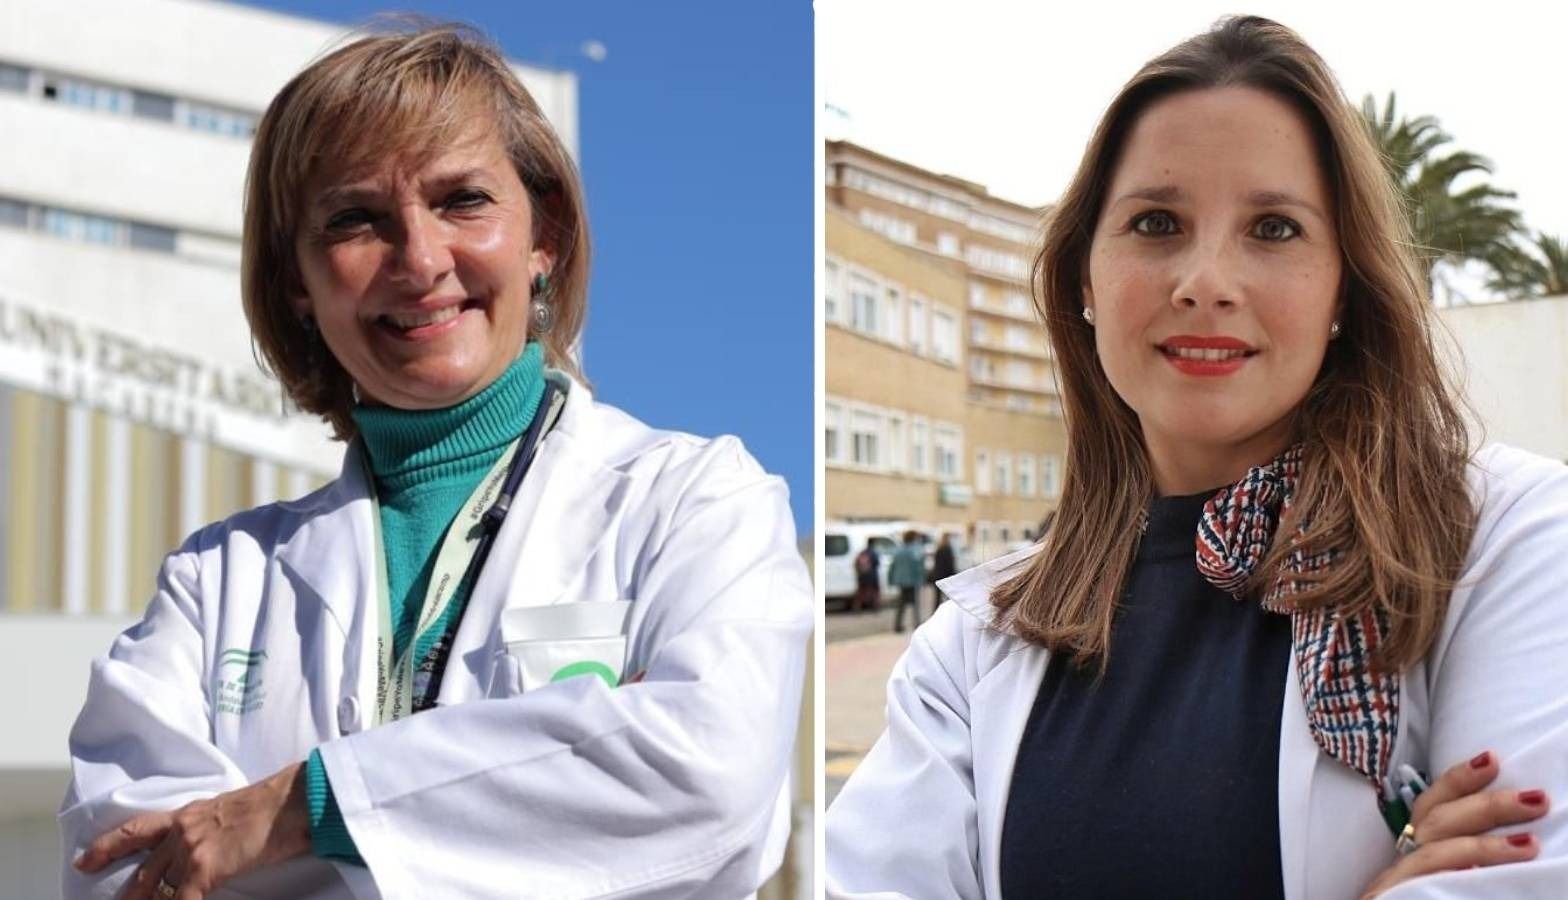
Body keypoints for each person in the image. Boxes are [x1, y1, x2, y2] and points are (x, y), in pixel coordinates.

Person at [826, 16, 1568, 899]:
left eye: (1273, 229)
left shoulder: (1508, 542)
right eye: (1157, 222)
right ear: (1084, 279)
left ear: (1344, 286)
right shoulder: (971, 644)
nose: (1205, 280)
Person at [60, 25, 811, 900]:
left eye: (462, 201)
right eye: (354, 219)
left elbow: (706, 773)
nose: (419, 260)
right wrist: (565, 760)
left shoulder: (694, 504)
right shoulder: (213, 587)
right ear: (299, 282)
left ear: (545, 239)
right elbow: (124, 867)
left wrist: (283, 815)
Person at [888, 530, 925, 634]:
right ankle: (917, 624)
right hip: (912, 581)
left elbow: (892, 566)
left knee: (901, 605)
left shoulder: (898, 550)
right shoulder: (915, 550)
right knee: (915, 604)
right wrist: (921, 579)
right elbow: (918, 567)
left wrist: (891, 579)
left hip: (900, 581)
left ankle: (897, 625)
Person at [930, 532, 958, 609]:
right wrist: (954, 575)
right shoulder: (947, 549)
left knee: (937, 598)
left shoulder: (939, 548)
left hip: (937, 575)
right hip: (945, 576)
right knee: (948, 599)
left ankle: (935, 614)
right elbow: (949, 564)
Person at [854, 543, 881, 612]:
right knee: (875, 592)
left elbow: (856, 565)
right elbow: (877, 563)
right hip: (872, 576)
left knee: (861, 592)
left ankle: (857, 607)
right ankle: (876, 607)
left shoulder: (861, 553)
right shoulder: (874, 553)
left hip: (862, 576)